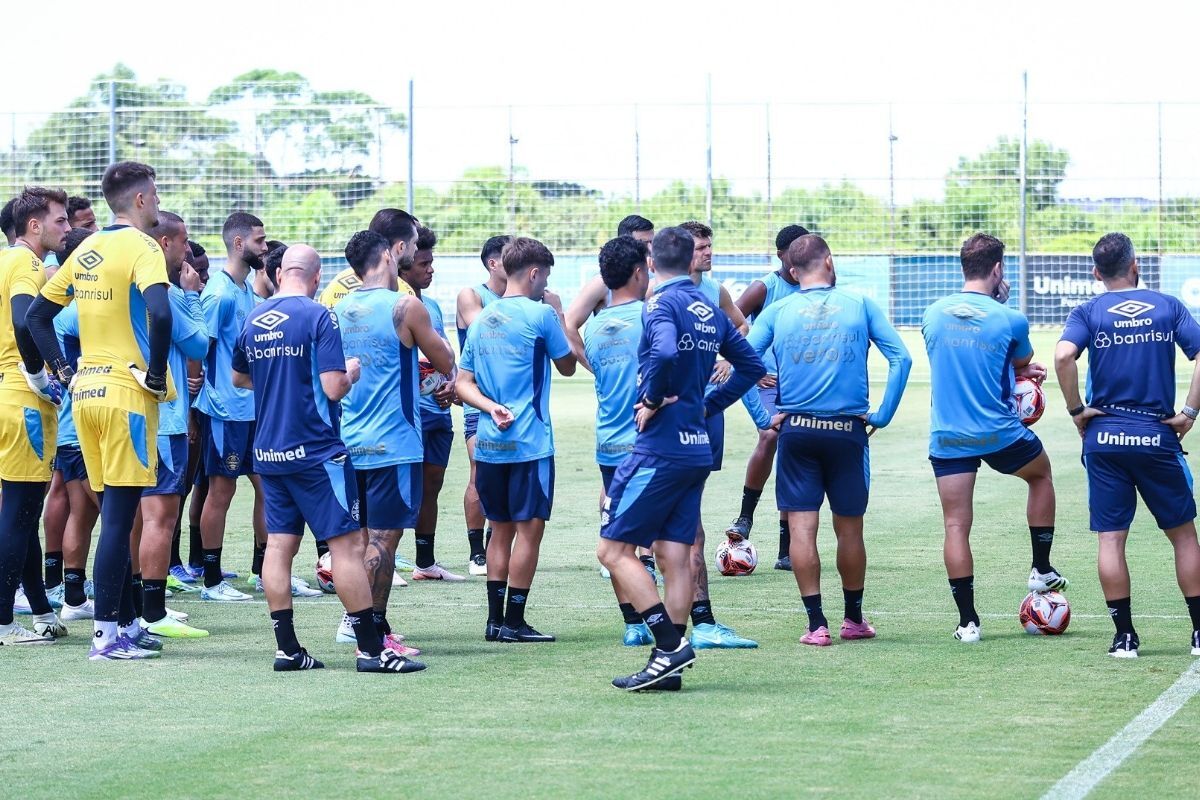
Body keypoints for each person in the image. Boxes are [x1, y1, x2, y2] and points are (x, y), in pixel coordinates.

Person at [232, 244, 422, 673]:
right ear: (316, 278)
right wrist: (350, 372)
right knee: (348, 547)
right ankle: (371, 651)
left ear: (279, 274)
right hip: (316, 451)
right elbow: (334, 388)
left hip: (268, 450)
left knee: (278, 546)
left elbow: (239, 377)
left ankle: (287, 650)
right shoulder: (320, 315)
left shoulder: (253, 318)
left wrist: (283, 377)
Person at [597, 225, 766, 691]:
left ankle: (670, 644)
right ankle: (664, 666)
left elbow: (667, 350)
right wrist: (707, 406)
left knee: (612, 551)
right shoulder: (708, 307)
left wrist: (652, 399)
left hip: (660, 449)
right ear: (691, 257)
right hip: (696, 448)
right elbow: (751, 366)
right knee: (674, 555)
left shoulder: (659, 303)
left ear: (651, 263)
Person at [27, 162, 173, 660]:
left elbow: (37, 317)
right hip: (124, 395)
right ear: (140, 199)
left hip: (85, 394)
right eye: (155, 195)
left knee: (114, 514)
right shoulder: (142, 246)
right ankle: (107, 636)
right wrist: (157, 374)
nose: (157, 203)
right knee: (117, 521)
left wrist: (65, 373)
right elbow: (160, 313)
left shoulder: (86, 247)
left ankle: (126, 622)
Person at [747, 235, 912, 645]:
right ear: (829, 261)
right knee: (849, 530)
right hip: (847, 431)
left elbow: (742, 362)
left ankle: (816, 625)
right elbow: (902, 358)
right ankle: (853, 620)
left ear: (792, 271)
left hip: (797, 430)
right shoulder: (859, 304)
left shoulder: (778, 310)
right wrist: (883, 415)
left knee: (802, 528)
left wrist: (764, 419)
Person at [1055, 232, 1200, 659]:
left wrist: (1076, 410)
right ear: (1136, 265)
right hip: (1157, 436)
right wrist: (1189, 413)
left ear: (1096, 273)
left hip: (1105, 439)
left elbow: (1062, 357)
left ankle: (1125, 638)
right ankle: (1199, 634)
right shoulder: (1168, 306)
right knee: (1183, 537)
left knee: (1111, 540)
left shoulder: (1087, 311)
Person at [922, 233, 1067, 644]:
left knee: (955, 525)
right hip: (998, 432)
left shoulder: (932, 313)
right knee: (1041, 475)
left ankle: (968, 623)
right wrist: (1022, 372)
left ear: (963, 266)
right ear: (998, 269)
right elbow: (1020, 360)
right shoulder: (1010, 318)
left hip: (948, 435)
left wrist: (1014, 371)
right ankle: (1041, 568)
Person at [333, 230, 454, 654]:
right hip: (394, 443)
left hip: (349, 441)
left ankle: (358, 624)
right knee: (383, 542)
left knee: (359, 542)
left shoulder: (338, 309)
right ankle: (372, 635)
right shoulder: (405, 306)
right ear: (388, 255)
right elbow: (445, 360)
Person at [456, 237, 575, 643]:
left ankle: (494, 621)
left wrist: (490, 408)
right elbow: (567, 366)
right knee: (529, 531)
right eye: (546, 277)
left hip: (490, 443)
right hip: (530, 444)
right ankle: (515, 621)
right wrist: (559, 314)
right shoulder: (541, 314)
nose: (547, 286)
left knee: (500, 529)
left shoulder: (482, 319)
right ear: (535, 273)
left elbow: (462, 383)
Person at [678, 219, 762, 650]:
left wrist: (727, 360)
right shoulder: (658, 297)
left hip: (704, 409)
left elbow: (741, 328)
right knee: (678, 517)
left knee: (690, 503)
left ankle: (680, 618)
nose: (708, 253)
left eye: (710, 246)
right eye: (700, 247)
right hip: (670, 417)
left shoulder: (715, 292)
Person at [0, 187, 71, 645]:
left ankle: (41, 610)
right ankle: (4, 621)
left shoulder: (4, 260)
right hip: (22, 399)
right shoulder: (26, 262)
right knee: (20, 511)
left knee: (21, 512)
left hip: (5, 395)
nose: (66, 228)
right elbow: (26, 320)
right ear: (33, 226)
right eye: (60, 220)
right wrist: (42, 376)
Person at [135, 212, 209, 637]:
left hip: (134, 414)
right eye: (183, 243)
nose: (187, 252)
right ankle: (153, 611)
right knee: (159, 518)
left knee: (135, 517)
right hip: (163, 420)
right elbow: (199, 343)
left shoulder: (129, 286)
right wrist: (192, 296)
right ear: (165, 243)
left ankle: (134, 606)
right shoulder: (166, 293)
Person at [192, 212, 269, 601]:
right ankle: (211, 580)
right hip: (226, 411)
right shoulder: (219, 294)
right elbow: (198, 350)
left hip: (254, 409)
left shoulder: (247, 291)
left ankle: (264, 572)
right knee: (220, 492)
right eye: (259, 240)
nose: (265, 247)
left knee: (269, 488)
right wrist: (195, 404)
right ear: (239, 244)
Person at [725, 224, 810, 571]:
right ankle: (745, 517)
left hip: (801, 384)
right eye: (795, 251)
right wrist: (751, 366)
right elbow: (729, 326)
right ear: (781, 255)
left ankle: (786, 550)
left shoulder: (815, 285)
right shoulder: (764, 287)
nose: (801, 258)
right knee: (771, 434)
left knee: (795, 447)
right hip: (766, 383)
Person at [582, 235, 652, 645]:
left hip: (608, 443)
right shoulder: (651, 316)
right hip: (646, 442)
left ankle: (632, 625)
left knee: (617, 540)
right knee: (668, 541)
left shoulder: (592, 328)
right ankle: (673, 625)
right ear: (640, 272)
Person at [402, 224, 464, 580]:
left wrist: (452, 384)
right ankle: (383, 559)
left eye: (431, 262)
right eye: (423, 263)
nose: (430, 269)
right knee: (400, 489)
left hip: (438, 413)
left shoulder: (434, 307)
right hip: (406, 417)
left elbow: (445, 356)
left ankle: (424, 563)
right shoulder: (396, 306)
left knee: (432, 486)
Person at [455, 235, 511, 576]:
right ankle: (477, 552)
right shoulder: (472, 295)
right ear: (493, 263)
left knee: (508, 477)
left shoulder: (528, 299)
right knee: (480, 472)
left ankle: (495, 546)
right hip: (478, 401)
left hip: (515, 403)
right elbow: (486, 328)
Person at [318, 208, 419, 309]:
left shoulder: (334, 286)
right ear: (401, 247)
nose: (416, 248)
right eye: (414, 242)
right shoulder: (406, 294)